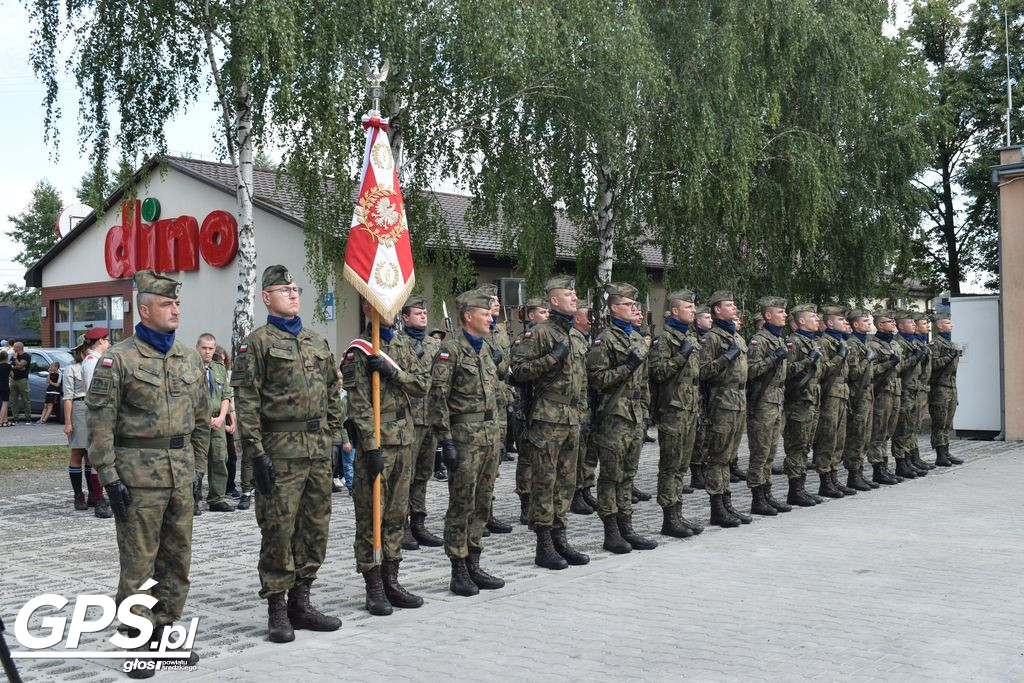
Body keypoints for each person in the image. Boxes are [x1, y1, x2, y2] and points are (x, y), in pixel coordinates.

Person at [84, 272, 209, 677]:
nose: (175, 309)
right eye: (166, 304)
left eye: (178, 304)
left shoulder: (189, 357)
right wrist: (108, 475)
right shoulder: (118, 358)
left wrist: (200, 468)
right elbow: (99, 422)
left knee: (177, 560)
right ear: (144, 309)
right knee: (139, 564)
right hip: (137, 476)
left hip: (181, 470)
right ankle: (138, 639)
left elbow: (202, 419)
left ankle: (166, 632)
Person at [231, 265, 343, 641]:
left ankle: (302, 601)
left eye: (296, 289)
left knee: (315, 528)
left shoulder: (316, 341)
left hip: (317, 450)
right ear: (267, 297)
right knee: (279, 529)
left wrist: (335, 436)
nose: (293, 295)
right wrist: (255, 454)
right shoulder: (256, 343)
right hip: (279, 451)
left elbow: (332, 393)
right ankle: (277, 608)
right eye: (284, 290)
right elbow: (246, 401)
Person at [343, 296, 429, 617]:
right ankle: (374, 586)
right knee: (371, 518)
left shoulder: (403, 346)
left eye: (394, 306)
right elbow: (359, 406)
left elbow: (423, 384)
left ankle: (392, 579)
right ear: (368, 309)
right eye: (384, 306)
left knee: (395, 516)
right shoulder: (359, 351)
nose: (391, 312)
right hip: (376, 448)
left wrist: (394, 374)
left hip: (406, 441)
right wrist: (371, 447)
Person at [430, 288, 507, 595]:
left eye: (491, 313)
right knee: (462, 503)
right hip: (463, 439)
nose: (491, 317)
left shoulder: (485, 348)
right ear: (468, 316)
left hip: (488, 436)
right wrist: (445, 440)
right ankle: (458, 567)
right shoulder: (451, 350)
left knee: (482, 502)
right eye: (485, 313)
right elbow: (438, 398)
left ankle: (474, 562)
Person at [512, 275, 590, 569]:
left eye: (575, 294)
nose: (574, 298)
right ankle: (544, 544)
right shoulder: (541, 334)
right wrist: (551, 360)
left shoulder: (574, 335)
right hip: (547, 418)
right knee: (544, 483)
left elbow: (582, 382)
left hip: (570, 419)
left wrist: (581, 412)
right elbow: (517, 370)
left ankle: (560, 538)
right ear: (553, 300)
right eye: (568, 294)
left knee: (566, 483)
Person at [586, 282, 657, 553]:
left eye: (635, 305)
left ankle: (627, 526)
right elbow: (596, 379)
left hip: (636, 416)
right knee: (611, 476)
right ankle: (611, 531)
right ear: (614, 308)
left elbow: (644, 382)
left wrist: (647, 412)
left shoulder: (637, 338)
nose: (634, 309)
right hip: (614, 415)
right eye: (628, 305)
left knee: (628, 474)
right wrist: (626, 367)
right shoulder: (604, 339)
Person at [648, 289, 706, 535]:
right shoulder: (664, 341)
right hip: (673, 410)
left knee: (682, 465)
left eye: (693, 307)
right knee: (670, 466)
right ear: (674, 311)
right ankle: (669, 518)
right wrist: (680, 356)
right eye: (688, 307)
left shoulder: (690, 338)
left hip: (690, 409)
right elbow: (658, 373)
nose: (693, 311)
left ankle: (678, 513)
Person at [697, 291, 751, 528]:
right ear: (717, 310)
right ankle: (717, 507)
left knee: (729, 456)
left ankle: (727, 503)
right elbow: (703, 371)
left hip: (738, 399)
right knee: (717, 456)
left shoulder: (737, 337)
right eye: (729, 305)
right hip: (721, 400)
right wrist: (726, 359)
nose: (735, 307)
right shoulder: (712, 339)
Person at [400, 294, 444, 549]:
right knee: (407, 474)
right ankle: (403, 525)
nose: (423, 316)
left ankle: (419, 522)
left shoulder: (433, 345)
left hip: (431, 416)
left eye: (425, 313)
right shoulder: (397, 343)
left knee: (423, 473)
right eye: (418, 313)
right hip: (408, 418)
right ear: (405, 317)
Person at [743, 296, 791, 517]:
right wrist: (773, 359)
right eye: (780, 312)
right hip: (762, 402)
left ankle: (767, 493)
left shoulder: (778, 339)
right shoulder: (759, 340)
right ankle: (757, 497)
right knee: (760, 452)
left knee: (771, 452)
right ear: (768, 315)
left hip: (776, 399)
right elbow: (751, 371)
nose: (785, 315)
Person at [64, 328, 113, 518]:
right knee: (81, 452)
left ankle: (95, 494)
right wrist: (68, 422)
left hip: (92, 408)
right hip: (84, 408)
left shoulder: (93, 361)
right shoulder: (87, 364)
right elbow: (72, 396)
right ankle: (82, 494)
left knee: (92, 455)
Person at [780, 304, 824, 507]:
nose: (817, 319)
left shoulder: (812, 342)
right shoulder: (794, 343)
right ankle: (794, 490)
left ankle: (801, 488)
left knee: (805, 446)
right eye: (813, 316)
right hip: (798, 401)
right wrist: (808, 361)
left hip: (812, 400)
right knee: (796, 446)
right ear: (802, 321)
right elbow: (785, 372)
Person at [511, 297, 550, 525]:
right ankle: (525, 502)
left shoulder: (549, 338)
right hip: (525, 407)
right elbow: (519, 372)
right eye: (542, 312)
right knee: (526, 458)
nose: (546, 315)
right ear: (532, 316)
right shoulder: (524, 341)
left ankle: (539, 500)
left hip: (544, 408)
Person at [811, 306, 854, 498]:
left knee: (839, 439)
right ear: (829, 323)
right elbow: (821, 372)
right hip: (829, 396)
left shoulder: (840, 341)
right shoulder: (824, 343)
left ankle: (834, 476)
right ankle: (825, 480)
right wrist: (839, 356)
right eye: (841, 320)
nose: (846, 323)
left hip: (842, 394)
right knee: (827, 438)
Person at [841, 309, 879, 491]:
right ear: (855, 324)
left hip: (867, 396)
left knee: (865, 436)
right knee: (856, 437)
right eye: (865, 320)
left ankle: (860, 473)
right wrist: (867, 360)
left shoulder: (865, 343)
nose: (868, 323)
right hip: (857, 397)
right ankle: (853, 475)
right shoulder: (852, 344)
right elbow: (854, 374)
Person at [865, 311, 904, 485]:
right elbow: (870, 372)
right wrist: (889, 363)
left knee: (888, 430)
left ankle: (885, 466)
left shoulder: (893, 344)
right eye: (889, 321)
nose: (894, 324)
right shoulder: (873, 345)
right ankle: (878, 469)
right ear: (880, 325)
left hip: (895, 391)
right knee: (878, 432)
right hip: (881, 392)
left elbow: (900, 369)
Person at [196, 333, 234, 513]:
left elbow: (226, 395)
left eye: (211, 348)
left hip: (218, 422)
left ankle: (216, 499)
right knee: (196, 462)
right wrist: (204, 418)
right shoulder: (190, 368)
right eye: (204, 348)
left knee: (219, 458)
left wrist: (221, 418)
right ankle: (193, 500)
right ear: (198, 347)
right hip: (198, 423)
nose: (208, 352)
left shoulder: (218, 368)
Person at [890, 310, 929, 479]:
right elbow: (898, 367)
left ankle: (911, 458)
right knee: (902, 427)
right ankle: (902, 462)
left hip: (914, 389)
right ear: (900, 326)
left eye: (915, 322)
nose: (914, 324)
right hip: (904, 390)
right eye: (910, 322)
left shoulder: (911, 342)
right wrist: (915, 358)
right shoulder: (898, 343)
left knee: (911, 426)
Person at [569, 300, 599, 515]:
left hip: (588, 402)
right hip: (578, 404)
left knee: (588, 451)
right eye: (588, 315)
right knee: (578, 452)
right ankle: (576, 493)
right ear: (577, 318)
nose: (593, 319)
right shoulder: (572, 338)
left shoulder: (587, 340)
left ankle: (586, 488)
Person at [928, 313, 963, 466]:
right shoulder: (936, 344)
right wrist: (949, 356)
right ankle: (940, 454)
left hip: (951, 387)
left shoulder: (950, 344)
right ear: (940, 326)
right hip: (940, 389)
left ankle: (946, 451)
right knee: (939, 423)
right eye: (948, 323)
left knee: (947, 423)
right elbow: (933, 366)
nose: (951, 325)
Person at [689, 306, 713, 489]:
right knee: (698, 434)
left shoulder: (708, 340)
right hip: (693, 394)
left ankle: (703, 467)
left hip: (706, 393)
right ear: (698, 322)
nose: (710, 320)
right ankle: (696, 471)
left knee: (705, 433)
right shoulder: (695, 340)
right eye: (706, 317)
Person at [216, 345, 241, 499]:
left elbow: (230, 401)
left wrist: (232, 424)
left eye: (223, 360)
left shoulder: (228, 375)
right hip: (215, 418)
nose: (221, 363)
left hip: (228, 416)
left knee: (231, 456)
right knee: (218, 458)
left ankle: (230, 487)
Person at [332, 369, 355, 494]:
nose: (340, 381)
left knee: (348, 461)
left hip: (346, 432)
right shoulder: (330, 396)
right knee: (333, 460)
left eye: (341, 378)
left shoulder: (347, 395)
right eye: (337, 379)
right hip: (334, 434)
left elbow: (346, 418)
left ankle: (351, 486)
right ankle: (334, 479)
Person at [9, 341, 31, 424]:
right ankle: (15, 418)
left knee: (25, 399)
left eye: (14, 347)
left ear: (18, 348)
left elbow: (19, 365)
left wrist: (16, 362)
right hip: (13, 379)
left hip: (22, 380)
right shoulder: (14, 356)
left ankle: (28, 418)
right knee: (13, 400)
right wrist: (17, 366)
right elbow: (11, 366)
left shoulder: (26, 356)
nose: (13, 349)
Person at [0, 350, 10, 427]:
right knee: (5, 403)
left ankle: (5, 420)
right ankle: (1, 421)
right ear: (6, 357)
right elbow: (12, 375)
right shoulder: (8, 366)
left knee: (4, 404)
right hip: (5, 385)